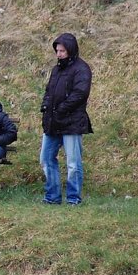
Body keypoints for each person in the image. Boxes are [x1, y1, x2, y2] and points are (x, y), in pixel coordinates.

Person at [40, 33, 92, 205]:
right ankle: (52, 197)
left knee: (73, 163)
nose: (59, 54)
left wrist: (61, 109)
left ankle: (73, 198)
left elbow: (80, 94)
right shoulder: (56, 70)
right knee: (46, 159)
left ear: (70, 50)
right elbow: (49, 91)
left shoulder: (82, 69)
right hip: (53, 121)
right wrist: (46, 106)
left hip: (72, 122)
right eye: (57, 50)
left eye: (62, 51)